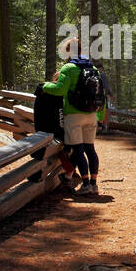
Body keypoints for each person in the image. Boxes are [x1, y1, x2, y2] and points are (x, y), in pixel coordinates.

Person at [41, 45, 106, 195]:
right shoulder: (93, 69)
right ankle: (94, 184)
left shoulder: (68, 68)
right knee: (90, 149)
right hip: (92, 115)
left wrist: (45, 86)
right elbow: (100, 94)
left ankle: (85, 185)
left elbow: (60, 90)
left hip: (73, 115)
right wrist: (100, 117)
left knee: (78, 150)